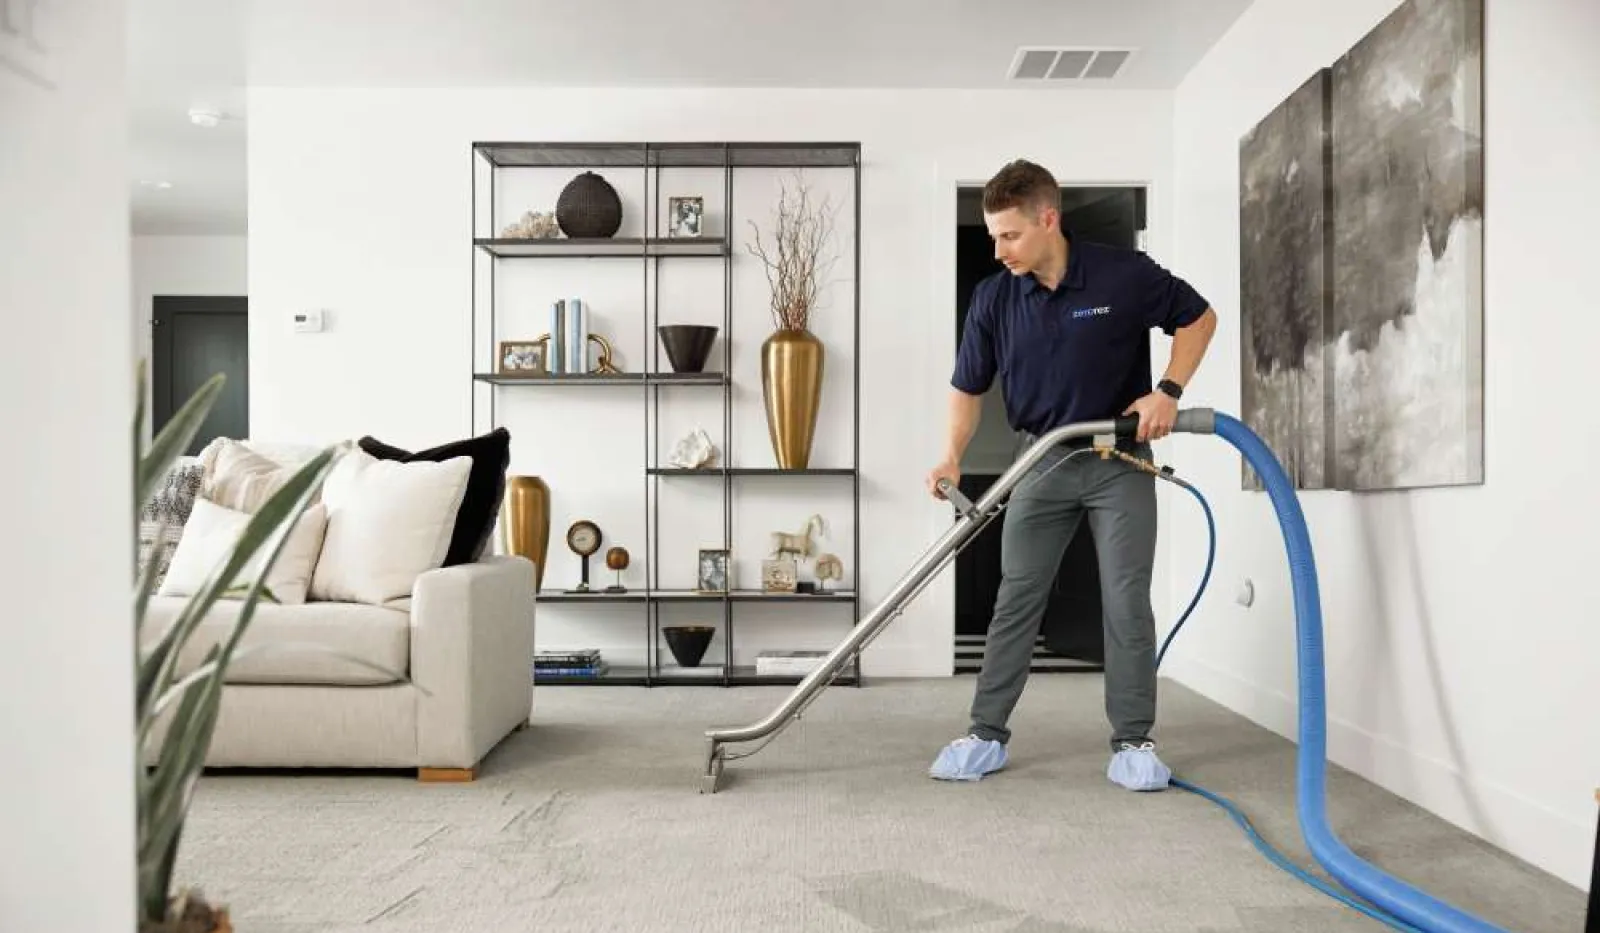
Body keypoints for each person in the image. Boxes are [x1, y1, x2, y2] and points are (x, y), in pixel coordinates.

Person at [927, 159, 1217, 791]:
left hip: (1119, 459)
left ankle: (1134, 741)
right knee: (1016, 598)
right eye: (993, 236)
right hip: (1041, 459)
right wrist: (952, 454)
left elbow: (1200, 318)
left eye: (1010, 235)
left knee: (1125, 600)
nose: (998, 250)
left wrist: (1167, 390)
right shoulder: (995, 297)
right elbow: (967, 387)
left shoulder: (1122, 274)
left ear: (1048, 219)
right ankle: (985, 733)